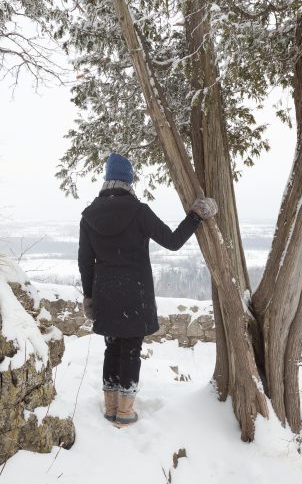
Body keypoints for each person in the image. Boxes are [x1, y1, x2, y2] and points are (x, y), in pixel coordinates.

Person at [78, 153, 217, 426]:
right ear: (129, 180)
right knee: (130, 349)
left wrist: (89, 296)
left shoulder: (89, 216)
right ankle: (125, 412)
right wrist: (196, 215)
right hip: (134, 293)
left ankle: (110, 407)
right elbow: (173, 241)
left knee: (112, 349)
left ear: (107, 180)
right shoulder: (138, 211)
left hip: (105, 292)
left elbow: (85, 262)